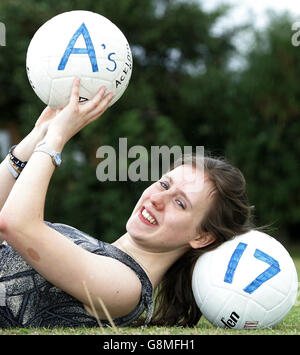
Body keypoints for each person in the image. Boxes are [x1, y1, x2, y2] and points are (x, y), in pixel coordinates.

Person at [0, 79, 253, 328]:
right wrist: (36, 136)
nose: (157, 198)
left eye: (179, 202)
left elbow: (16, 224)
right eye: (164, 185)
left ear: (202, 237)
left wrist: (57, 138)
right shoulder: (96, 251)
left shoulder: (127, 288)